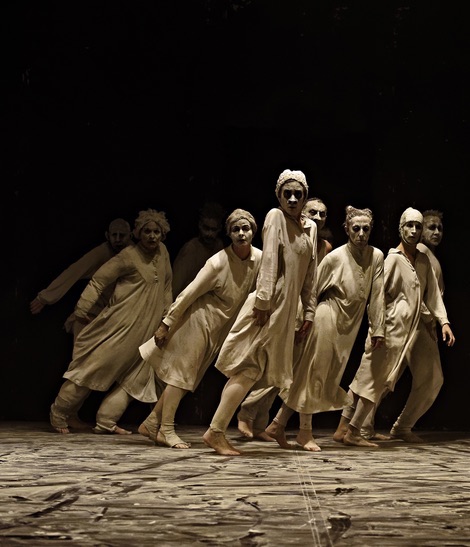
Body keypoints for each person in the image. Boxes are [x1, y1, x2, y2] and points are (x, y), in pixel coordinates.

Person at [202, 168, 318, 456]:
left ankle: (223, 429)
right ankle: (216, 431)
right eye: (287, 194)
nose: (292, 199)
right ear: (278, 195)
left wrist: (309, 312)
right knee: (249, 368)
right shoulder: (275, 217)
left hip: (288, 310)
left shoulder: (310, 228)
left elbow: (310, 274)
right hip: (269, 306)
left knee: (257, 371)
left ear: (305, 196)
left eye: (298, 194)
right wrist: (264, 304)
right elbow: (269, 263)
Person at [137, 208, 262, 448]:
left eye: (245, 228)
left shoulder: (259, 259)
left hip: (217, 329)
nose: (241, 233)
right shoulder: (217, 262)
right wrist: (166, 323)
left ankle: (152, 422)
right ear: (229, 234)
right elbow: (189, 293)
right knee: (180, 377)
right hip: (197, 321)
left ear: (253, 231)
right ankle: (166, 429)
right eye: (235, 229)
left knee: (186, 380)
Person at [264, 206, 385, 451]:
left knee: (317, 377)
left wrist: (378, 328)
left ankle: (277, 424)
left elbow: (378, 295)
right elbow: (311, 289)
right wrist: (302, 321)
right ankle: (304, 432)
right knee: (313, 375)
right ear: (347, 229)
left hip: (349, 326)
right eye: (356, 229)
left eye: (366, 229)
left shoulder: (376, 256)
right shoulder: (335, 258)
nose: (361, 234)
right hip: (327, 318)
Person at [334, 208, 455, 447]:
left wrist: (444, 321)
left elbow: (432, 295)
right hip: (388, 328)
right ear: (400, 228)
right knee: (369, 379)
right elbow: (377, 296)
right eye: (409, 225)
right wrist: (378, 328)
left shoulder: (422, 261)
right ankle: (352, 430)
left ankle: (347, 429)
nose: (414, 231)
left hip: (405, 330)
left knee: (371, 378)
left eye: (417, 226)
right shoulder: (393, 260)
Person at [49, 209, 172, 435]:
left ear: (162, 234)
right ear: (138, 233)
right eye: (147, 231)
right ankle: (59, 412)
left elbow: (166, 287)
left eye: (156, 232)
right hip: (119, 326)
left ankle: (106, 421)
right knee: (92, 368)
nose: (152, 236)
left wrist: (167, 320)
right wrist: (81, 310)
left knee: (135, 377)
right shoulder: (128, 256)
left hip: (147, 328)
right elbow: (98, 281)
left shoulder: (163, 252)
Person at [237, 196, 334, 441]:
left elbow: (314, 281)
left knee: (286, 371)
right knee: (271, 361)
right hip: (285, 303)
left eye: (322, 214)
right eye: (313, 212)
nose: (317, 217)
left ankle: (261, 423)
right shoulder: (291, 232)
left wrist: (310, 312)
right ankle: (247, 411)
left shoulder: (324, 247)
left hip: (305, 308)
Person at [30, 218, 133, 340]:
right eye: (114, 235)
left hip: (122, 316)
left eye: (122, 235)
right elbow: (73, 272)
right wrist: (46, 297)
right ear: (107, 236)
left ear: (130, 236)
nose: (118, 239)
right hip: (94, 313)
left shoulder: (136, 254)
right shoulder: (102, 253)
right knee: (82, 342)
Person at [171, 201, 226, 298]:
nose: (209, 234)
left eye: (213, 230)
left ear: (219, 229)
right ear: (200, 225)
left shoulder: (219, 246)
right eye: (206, 228)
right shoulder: (191, 249)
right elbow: (175, 286)